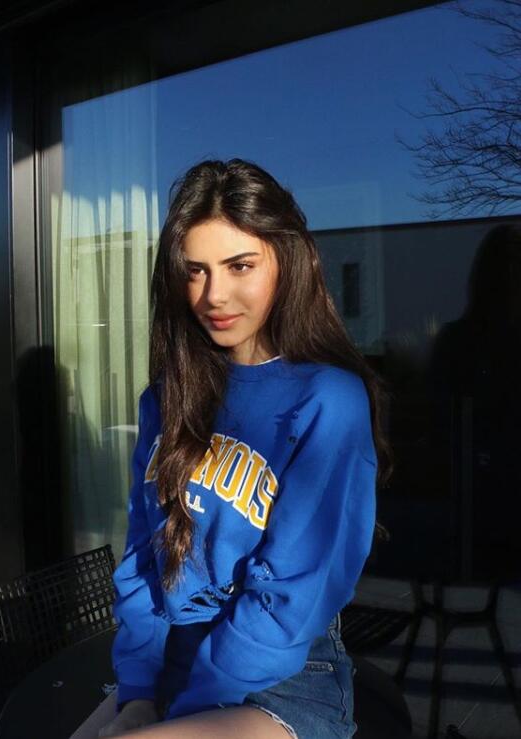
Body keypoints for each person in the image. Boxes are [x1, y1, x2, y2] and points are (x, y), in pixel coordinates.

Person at [99, 158, 391, 739]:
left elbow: (294, 594)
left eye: (240, 266)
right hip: (172, 657)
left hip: (281, 674)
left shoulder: (327, 400)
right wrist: (137, 690)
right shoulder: (168, 397)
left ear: (287, 259)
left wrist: (187, 705)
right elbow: (143, 555)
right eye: (195, 271)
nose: (214, 295)